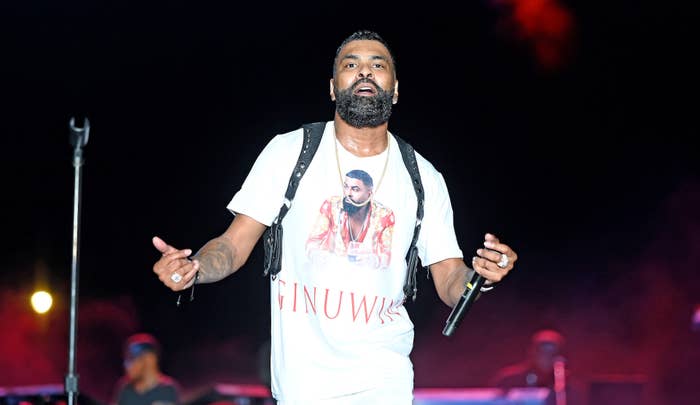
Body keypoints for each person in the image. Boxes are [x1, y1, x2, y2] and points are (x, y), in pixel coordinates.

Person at [151, 30, 518, 404]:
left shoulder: (423, 178)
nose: (364, 72)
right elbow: (233, 245)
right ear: (332, 87)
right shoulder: (290, 152)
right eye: (351, 64)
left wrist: (480, 279)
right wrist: (196, 266)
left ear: (394, 90)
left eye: (378, 65)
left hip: (383, 384)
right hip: (302, 389)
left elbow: (449, 278)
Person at [489, 329, 585, 405]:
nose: (546, 357)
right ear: (531, 352)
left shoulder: (568, 385)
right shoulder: (509, 380)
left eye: (552, 353)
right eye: (542, 351)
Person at [112, 333, 181, 405]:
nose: (127, 365)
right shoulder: (125, 389)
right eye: (127, 359)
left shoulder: (168, 390)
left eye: (132, 359)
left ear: (150, 360)